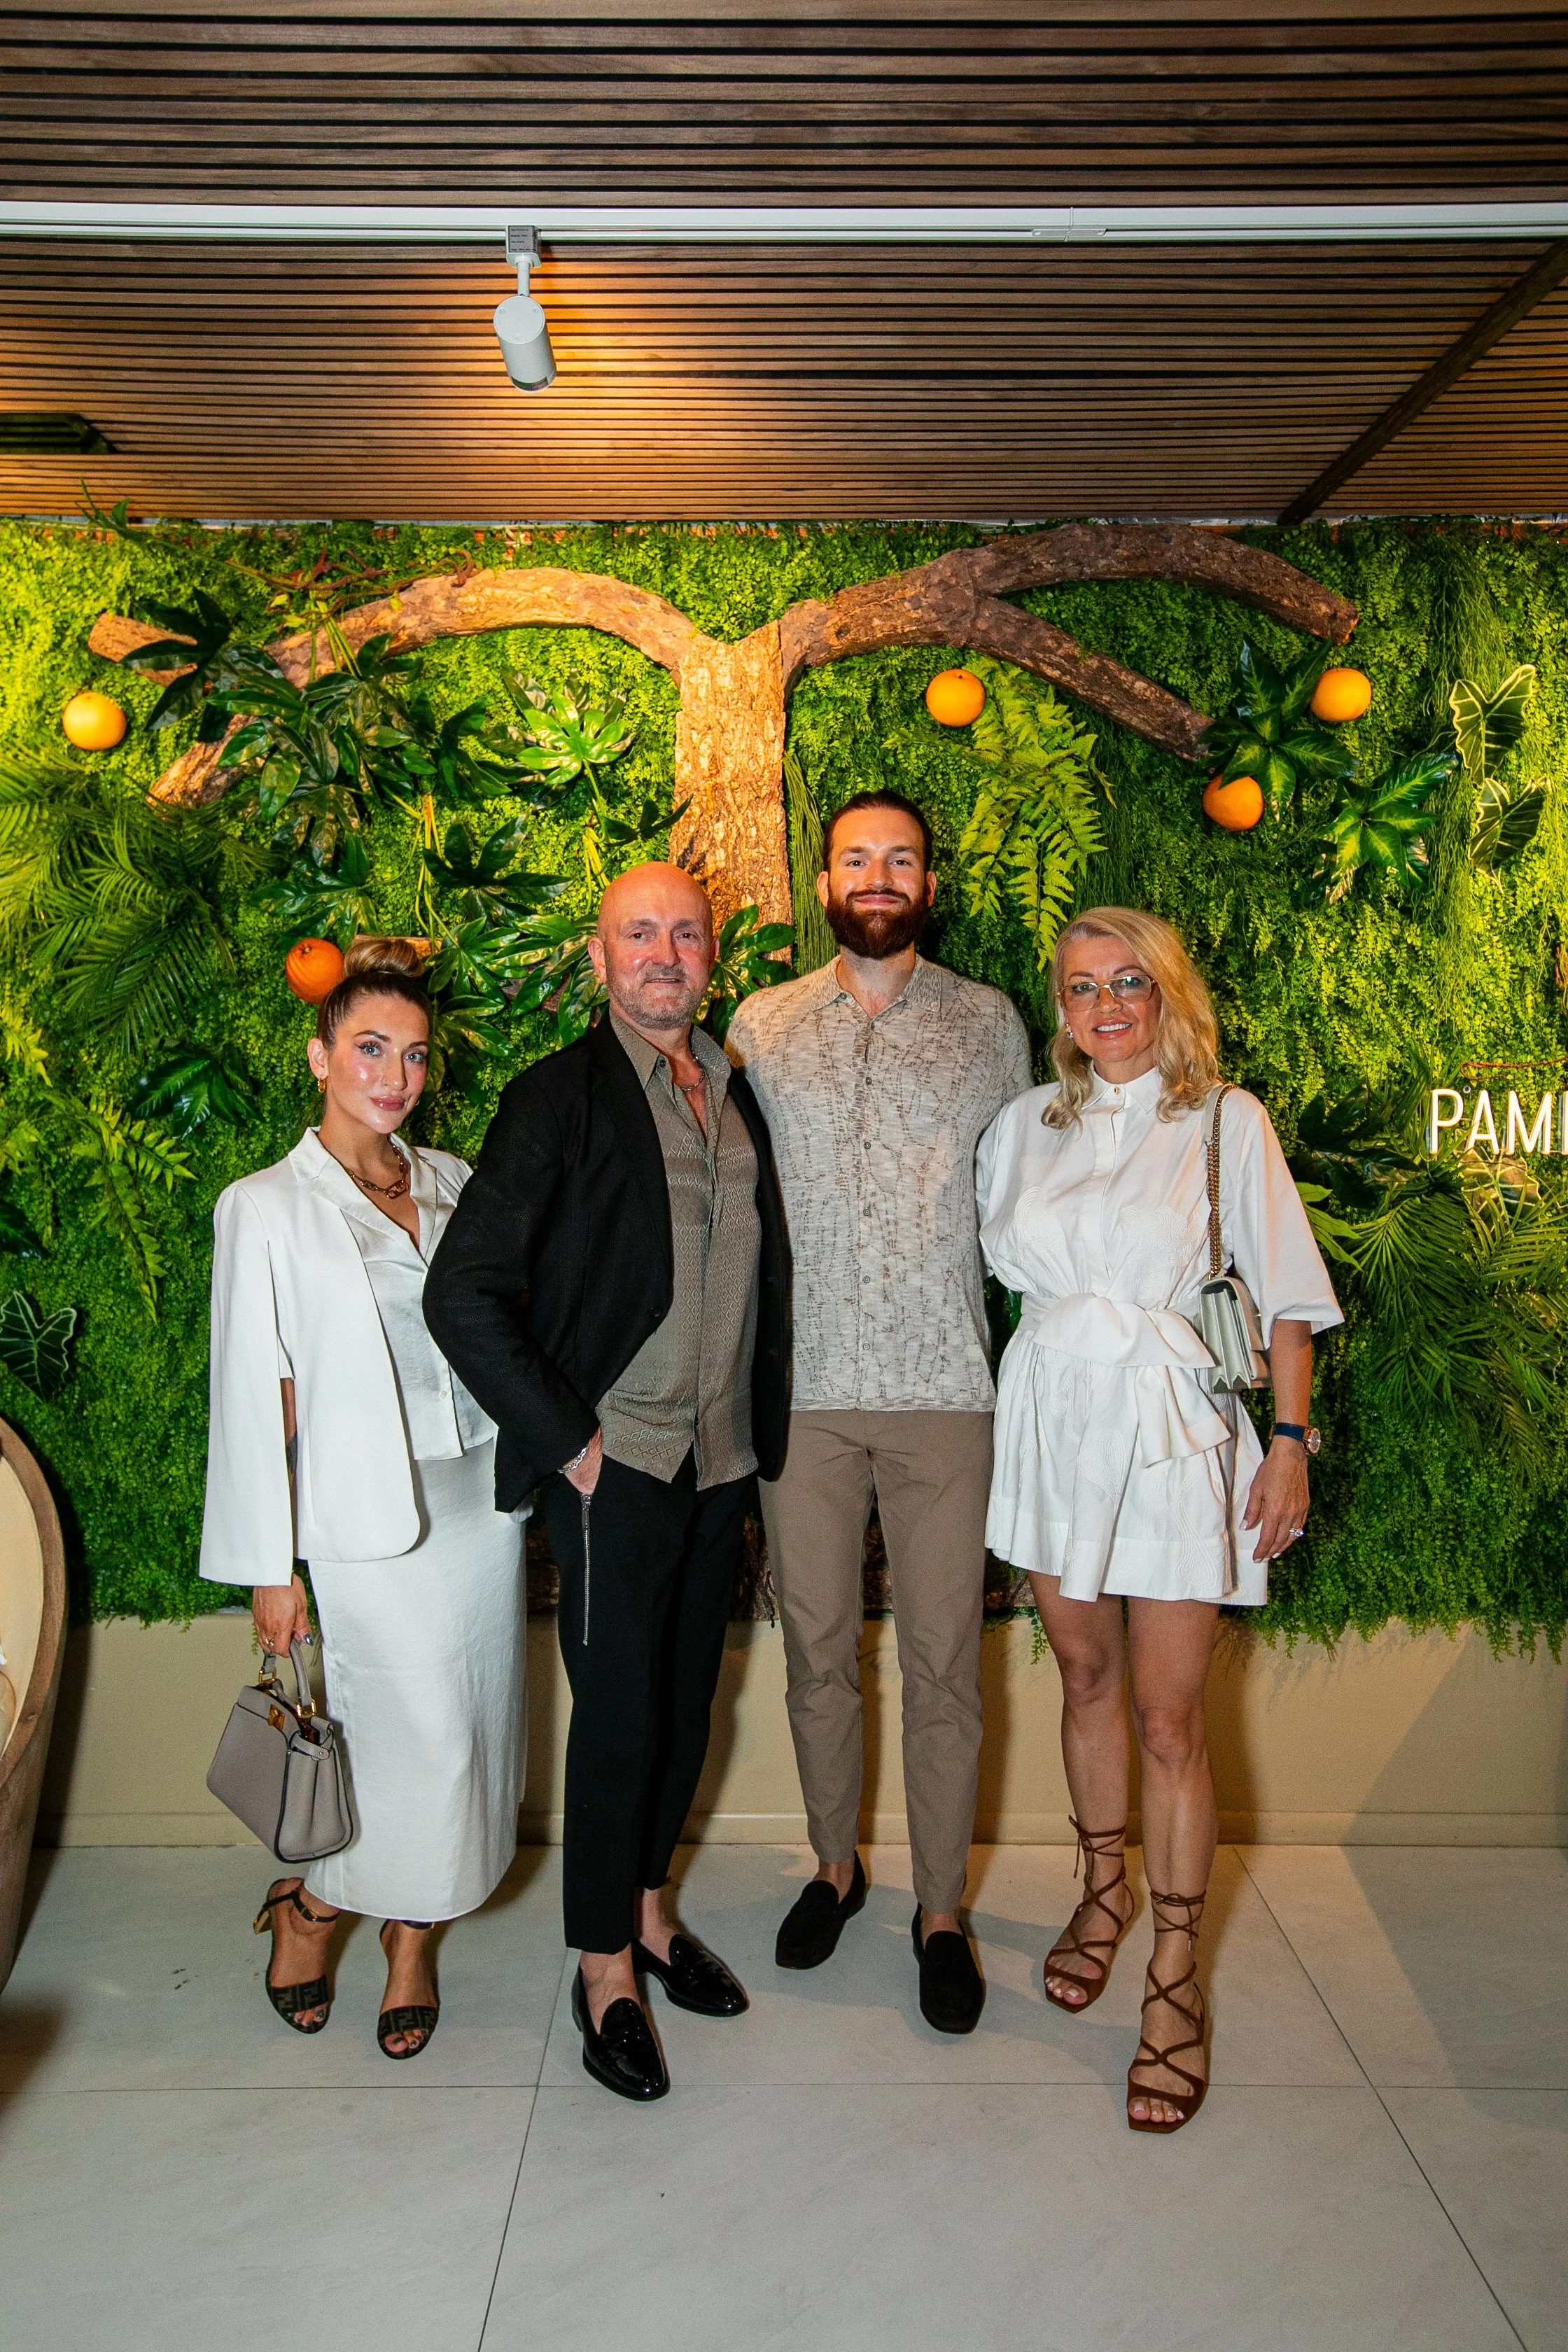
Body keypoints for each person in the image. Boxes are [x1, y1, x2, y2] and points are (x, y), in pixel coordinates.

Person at [423, 862, 790, 2103]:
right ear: (601, 957)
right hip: (614, 1466)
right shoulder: (558, 1100)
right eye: (640, 933)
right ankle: (600, 1975)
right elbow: (459, 1291)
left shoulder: (738, 1096)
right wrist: (569, 1441)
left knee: (689, 1709)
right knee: (618, 1714)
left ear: (711, 951)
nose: (664, 953)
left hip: (722, 1461)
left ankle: (647, 1914)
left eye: (685, 933)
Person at [977, 906, 1341, 2131]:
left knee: (1169, 1714)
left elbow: (1286, 1301)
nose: (1109, 1006)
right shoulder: (1025, 1125)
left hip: (1176, 1431)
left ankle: (1176, 1975)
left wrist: (1287, 1445)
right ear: (1062, 1011)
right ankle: (1100, 1892)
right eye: (1083, 989)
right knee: (1082, 1676)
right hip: (1049, 1418)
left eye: (1130, 981)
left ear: (1167, 991)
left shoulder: (1226, 1120)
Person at [727, 790, 1031, 2034]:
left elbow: (1025, 1196)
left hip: (946, 1393)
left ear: (927, 880)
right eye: (858, 856)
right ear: (827, 877)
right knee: (815, 1655)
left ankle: (943, 1908)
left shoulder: (989, 1025)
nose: (879, 874)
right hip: (800, 1398)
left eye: (901, 858)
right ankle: (835, 1867)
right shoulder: (761, 1024)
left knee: (945, 1665)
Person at [200, 936, 527, 2062]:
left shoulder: (455, 1183)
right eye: (370, 1048)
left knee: (471, 1734)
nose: (394, 1075)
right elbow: (255, 1397)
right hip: (362, 1528)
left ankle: (409, 1941)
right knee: (413, 1741)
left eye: (415, 1055)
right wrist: (268, 1565)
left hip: (481, 1506)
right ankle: (322, 1907)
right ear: (320, 1055)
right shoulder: (264, 1207)